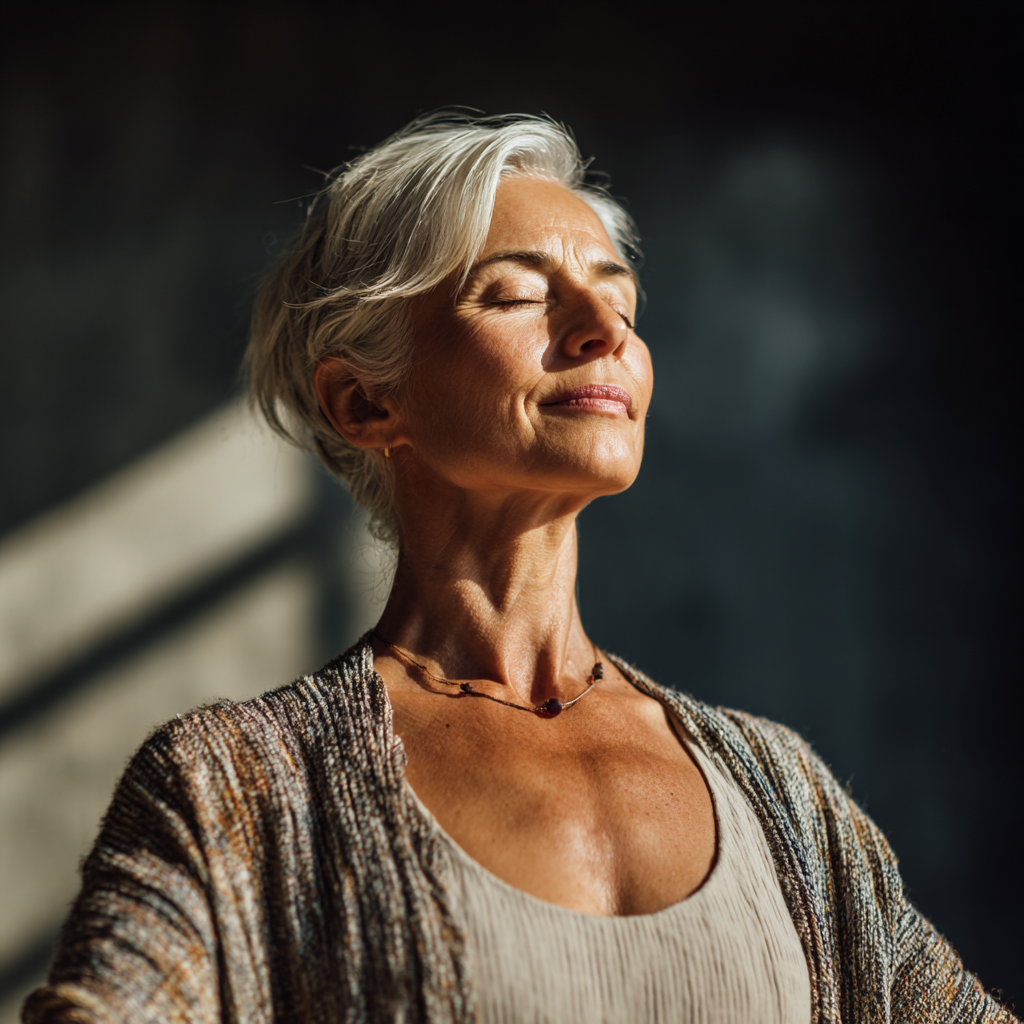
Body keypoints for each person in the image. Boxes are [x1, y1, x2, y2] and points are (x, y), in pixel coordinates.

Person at [23, 113, 1015, 1024]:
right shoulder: (234, 790)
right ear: (365, 402)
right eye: (518, 293)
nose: (604, 329)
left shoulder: (783, 793)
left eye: (616, 294)